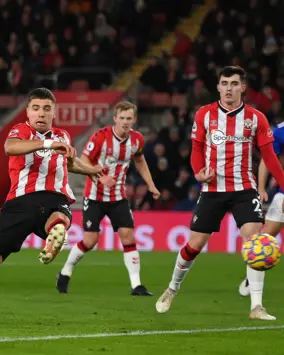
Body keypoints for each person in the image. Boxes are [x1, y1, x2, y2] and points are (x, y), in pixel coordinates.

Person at [0, 88, 104, 328]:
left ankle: (56, 232)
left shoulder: (62, 136)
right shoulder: (21, 131)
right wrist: (48, 143)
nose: (41, 113)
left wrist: (91, 170)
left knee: (59, 215)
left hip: (54, 198)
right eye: (36, 108)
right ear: (28, 112)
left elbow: (68, 163)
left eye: (46, 109)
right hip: (19, 204)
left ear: (54, 112)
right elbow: (10, 147)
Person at [155, 66, 284, 320]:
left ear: (242, 88)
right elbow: (196, 149)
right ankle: (172, 288)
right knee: (195, 245)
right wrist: (197, 172)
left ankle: (256, 306)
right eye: (224, 83)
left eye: (234, 83)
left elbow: (270, 157)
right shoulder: (205, 114)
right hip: (213, 189)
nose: (228, 88)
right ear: (218, 87)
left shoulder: (256, 118)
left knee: (255, 242)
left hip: (244, 189)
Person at [56, 101, 160, 296]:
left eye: (129, 119)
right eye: (122, 118)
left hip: (118, 197)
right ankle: (65, 272)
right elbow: (85, 160)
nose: (125, 123)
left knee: (128, 236)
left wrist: (151, 184)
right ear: (115, 119)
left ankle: (136, 285)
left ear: (134, 120)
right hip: (94, 196)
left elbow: (139, 160)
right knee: (90, 240)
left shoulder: (137, 140)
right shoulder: (101, 137)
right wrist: (100, 177)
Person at [238, 119, 284, 297]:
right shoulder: (280, 131)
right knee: (265, 239)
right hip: (282, 194)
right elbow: (268, 159)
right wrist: (262, 188)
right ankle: (252, 276)